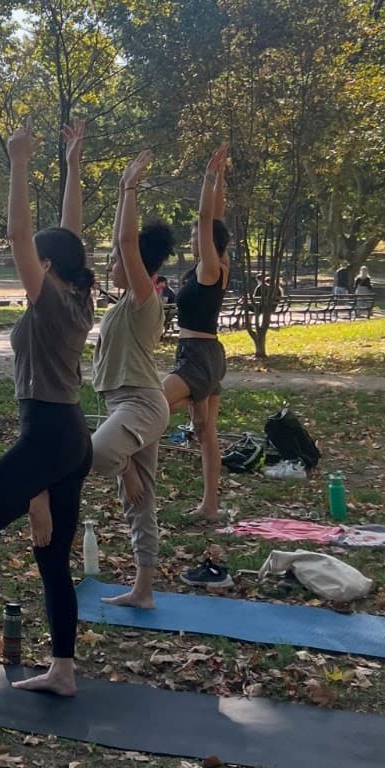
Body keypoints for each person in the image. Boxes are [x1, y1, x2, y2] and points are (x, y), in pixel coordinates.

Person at [0, 120, 94, 697]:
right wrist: (73, 166)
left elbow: (18, 233)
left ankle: (33, 492)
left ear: (46, 267)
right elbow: (70, 235)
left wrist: (19, 161)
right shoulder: (78, 295)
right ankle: (63, 670)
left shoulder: (50, 298)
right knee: (52, 559)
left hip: (48, 435)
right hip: (70, 436)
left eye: (37, 259)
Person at [90, 151, 174, 611]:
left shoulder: (146, 300)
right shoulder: (123, 304)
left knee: (100, 454)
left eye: (117, 261)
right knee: (139, 502)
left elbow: (125, 241)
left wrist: (129, 187)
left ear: (138, 264)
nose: (112, 265)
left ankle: (125, 469)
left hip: (140, 404)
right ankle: (143, 590)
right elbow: (121, 244)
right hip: (125, 405)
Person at [161, 145, 231, 526]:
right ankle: (209, 505)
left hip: (197, 357)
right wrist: (219, 180)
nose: (192, 240)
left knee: (150, 403)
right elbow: (215, 219)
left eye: (195, 236)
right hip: (209, 354)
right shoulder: (221, 264)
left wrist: (206, 178)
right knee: (205, 431)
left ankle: (122, 460)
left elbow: (207, 220)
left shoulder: (209, 268)